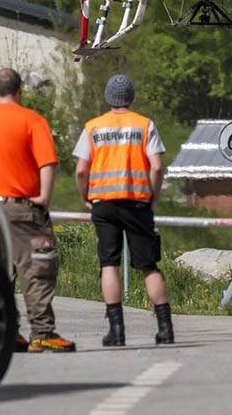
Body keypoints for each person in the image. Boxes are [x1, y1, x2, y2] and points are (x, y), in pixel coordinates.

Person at [0, 68, 76, 353]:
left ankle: (6, 332)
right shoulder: (31, 120)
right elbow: (47, 162)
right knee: (37, 270)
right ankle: (43, 333)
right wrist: (44, 198)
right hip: (23, 211)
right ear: (19, 90)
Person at [73, 74, 174, 346]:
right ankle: (165, 329)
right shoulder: (144, 125)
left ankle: (117, 332)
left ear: (108, 97)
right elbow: (156, 167)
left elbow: (82, 170)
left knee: (109, 264)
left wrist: (86, 197)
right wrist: (153, 196)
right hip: (137, 203)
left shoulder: (93, 127)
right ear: (131, 97)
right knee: (148, 265)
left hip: (104, 204)